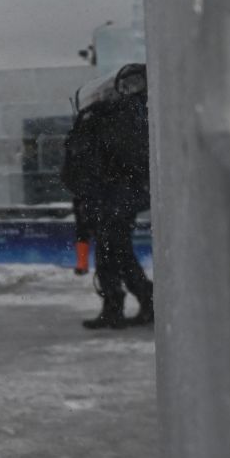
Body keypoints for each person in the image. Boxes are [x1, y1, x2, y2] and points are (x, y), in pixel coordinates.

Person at [61, 63, 154, 330]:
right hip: (107, 199)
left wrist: (100, 187)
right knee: (115, 253)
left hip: (112, 199)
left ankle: (125, 304)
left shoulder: (114, 117)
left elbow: (118, 159)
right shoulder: (108, 117)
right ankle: (129, 304)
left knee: (113, 254)